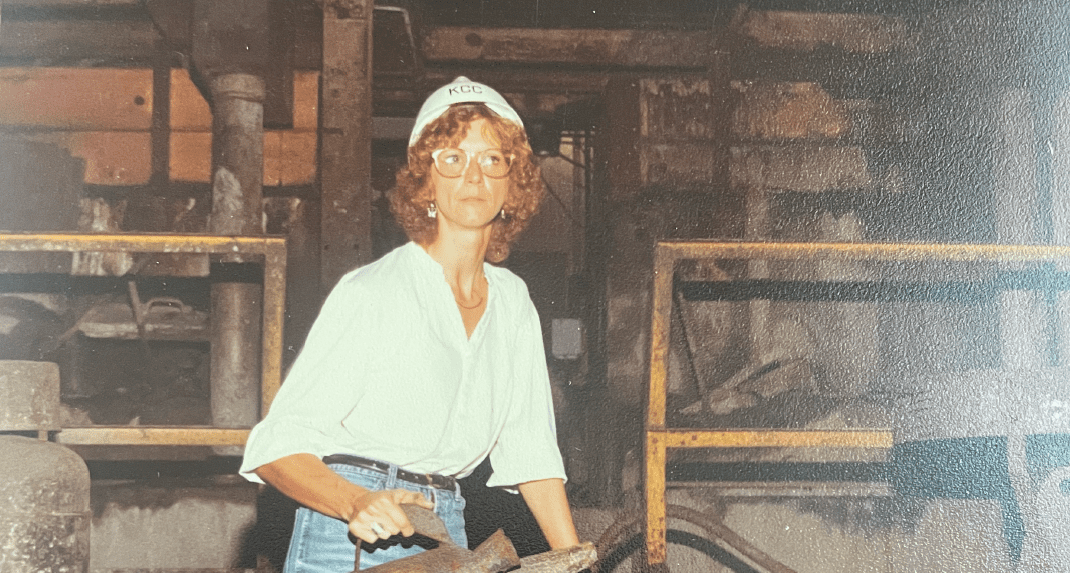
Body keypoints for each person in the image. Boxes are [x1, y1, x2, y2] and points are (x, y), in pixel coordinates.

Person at [239, 76, 580, 572]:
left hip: (447, 525)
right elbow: (276, 448)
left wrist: (576, 561)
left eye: (492, 159)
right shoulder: (375, 291)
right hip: (348, 533)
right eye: (452, 158)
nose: (473, 176)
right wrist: (355, 501)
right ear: (426, 183)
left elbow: (533, 457)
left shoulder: (513, 303)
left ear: (513, 183)